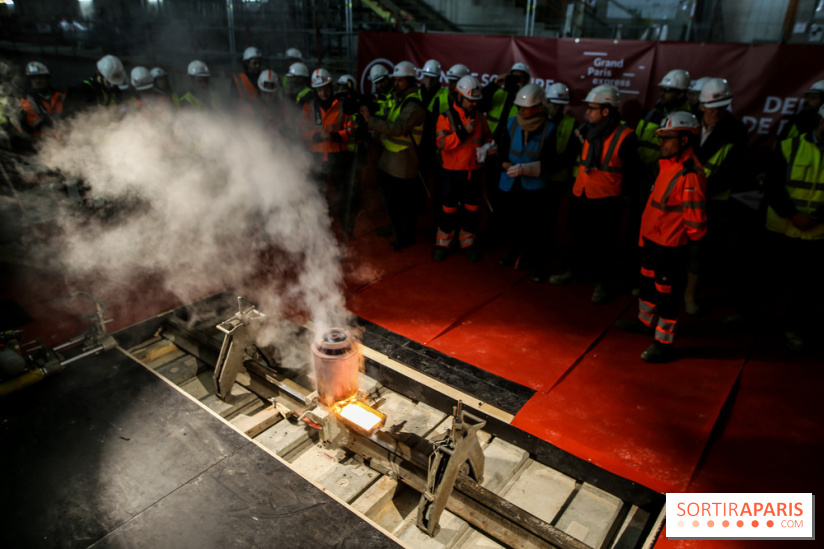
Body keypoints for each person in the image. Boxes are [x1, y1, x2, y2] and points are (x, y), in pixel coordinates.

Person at [616, 112, 707, 362]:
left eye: (667, 138)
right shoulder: (667, 166)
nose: (661, 143)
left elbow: (695, 221)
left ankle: (663, 342)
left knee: (667, 295)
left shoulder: (690, 174)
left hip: (671, 247)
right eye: (661, 138)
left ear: (685, 140)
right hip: (652, 240)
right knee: (647, 284)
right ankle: (644, 322)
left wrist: (687, 248)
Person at [549, 84, 642, 304]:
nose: (587, 112)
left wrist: (627, 197)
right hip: (581, 193)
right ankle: (574, 271)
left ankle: (602, 283)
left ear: (606, 111)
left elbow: (633, 173)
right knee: (577, 235)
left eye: (592, 108)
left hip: (607, 199)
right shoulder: (586, 130)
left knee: (604, 245)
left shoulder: (626, 136)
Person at [763, 104, 824, 351]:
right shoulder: (790, 146)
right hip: (782, 227)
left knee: (807, 288)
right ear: (821, 122)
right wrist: (793, 215)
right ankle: (754, 320)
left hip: (816, 232)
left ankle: (795, 329)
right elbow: (773, 185)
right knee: (767, 278)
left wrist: (816, 218)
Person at [685, 77, 748, 314]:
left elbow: (732, 171)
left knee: (699, 250)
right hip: (679, 199)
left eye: (722, 107)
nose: (717, 112)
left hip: (710, 201)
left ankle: (690, 296)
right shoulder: (687, 123)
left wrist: (699, 194)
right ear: (701, 105)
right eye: (712, 108)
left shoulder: (736, 130)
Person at [359, 61, 426, 250]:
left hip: (404, 162)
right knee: (393, 202)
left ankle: (406, 237)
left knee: (403, 204)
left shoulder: (413, 105)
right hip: (392, 159)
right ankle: (396, 229)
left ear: (411, 81)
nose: (395, 84)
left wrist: (370, 121)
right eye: (395, 80)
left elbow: (397, 128)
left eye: (400, 80)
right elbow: (391, 122)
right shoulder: (401, 99)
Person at [497, 83, 560, 281]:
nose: (522, 111)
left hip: (534, 186)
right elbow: (502, 149)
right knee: (513, 221)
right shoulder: (511, 123)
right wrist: (503, 163)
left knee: (534, 226)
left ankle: (533, 263)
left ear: (538, 107)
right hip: (512, 182)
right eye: (520, 107)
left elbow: (552, 161)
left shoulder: (549, 129)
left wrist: (531, 169)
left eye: (526, 107)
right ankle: (513, 253)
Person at [432, 75, 493, 262]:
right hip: (452, 172)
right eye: (470, 100)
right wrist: (461, 132)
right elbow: (441, 143)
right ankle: (442, 244)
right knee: (448, 210)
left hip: (474, 172)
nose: (474, 104)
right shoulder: (445, 117)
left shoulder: (481, 118)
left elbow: (488, 138)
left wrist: (488, 148)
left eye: (476, 101)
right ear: (459, 97)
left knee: (472, 210)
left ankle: (467, 243)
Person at [301, 68, 355, 229]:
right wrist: (317, 136)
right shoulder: (308, 107)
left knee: (343, 192)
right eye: (319, 89)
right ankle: (317, 224)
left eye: (325, 88)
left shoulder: (342, 106)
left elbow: (351, 129)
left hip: (338, 156)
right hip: (316, 157)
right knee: (315, 193)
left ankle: (346, 224)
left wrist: (334, 136)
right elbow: (302, 130)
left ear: (330, 86)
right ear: (315, 90)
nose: (323, 92)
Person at [543, 82, 581, 258]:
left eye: (560, 104)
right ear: (546, 101)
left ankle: (547, 248)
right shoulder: (539, 120)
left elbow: (571, 153)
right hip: (536, 177)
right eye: (553, 103)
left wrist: (549, 168)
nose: (556, 107)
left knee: (550, 216)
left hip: (557, 179)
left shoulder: (572, 124)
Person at [636, 69, 691, 175]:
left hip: (667, 175)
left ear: (681, 94)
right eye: (661, 89)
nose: (662, 94)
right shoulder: (651, 115)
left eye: (667, 90)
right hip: (642, 175)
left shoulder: (687, 120)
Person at [481, 62, 531, 139]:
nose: (516, 81)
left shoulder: (528, 100)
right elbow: (481, 105)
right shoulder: (498, 93)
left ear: (526, 80)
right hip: (489, 138)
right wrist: (494, 84)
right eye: (513, 77)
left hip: (511, 141)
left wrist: (521, 94)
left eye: (520, 78)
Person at [19, 61, 65, 138]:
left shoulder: (60, 95)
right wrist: (47, 119)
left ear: (47, 78)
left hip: (66, 138)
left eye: (40, 77)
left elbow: (72, 112)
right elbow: (35, 123)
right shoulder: (26, 100)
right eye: (33, 78)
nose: (37, 81)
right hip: (42, 142)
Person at [229, 46, 263, 115]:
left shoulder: (263, 77)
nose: (258, 66)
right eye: (255, 63)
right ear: (247, 63)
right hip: (244, 121)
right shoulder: (238, 79)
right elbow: (232, 104)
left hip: (261, 119)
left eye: (259, 63)